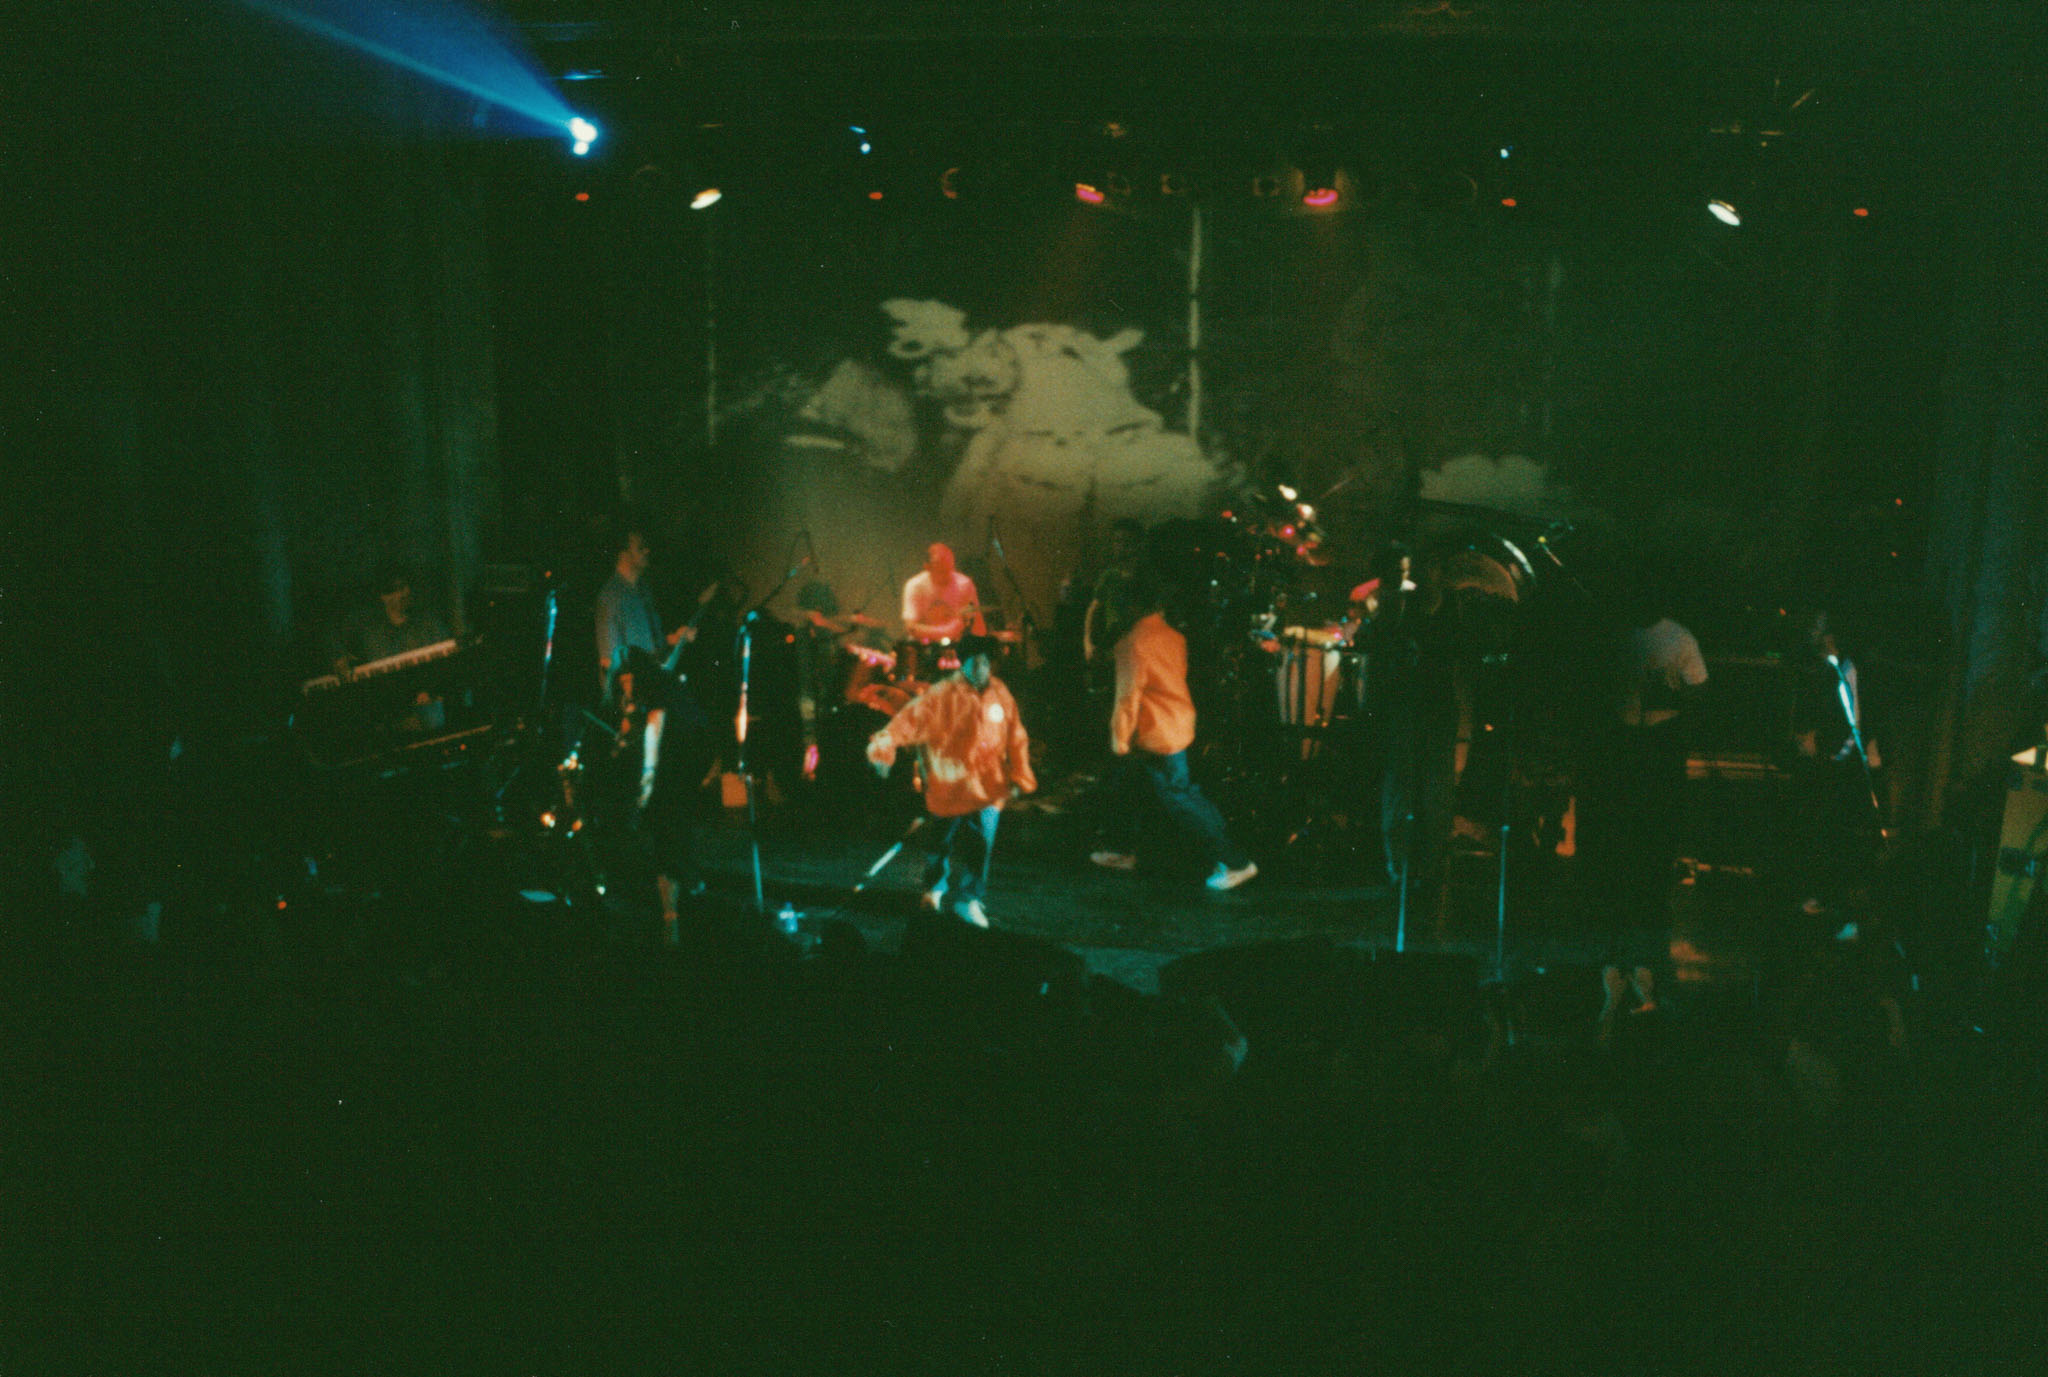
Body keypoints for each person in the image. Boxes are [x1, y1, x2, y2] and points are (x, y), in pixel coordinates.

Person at [1092, 579, 1258, 891]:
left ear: (1132, 606)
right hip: (1177, 722)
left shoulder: (1133, 643)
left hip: (1157, 731)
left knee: (1180, 796)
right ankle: (1121, 849)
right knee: (1136, 785)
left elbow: (1127, 697)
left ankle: (1236, 862)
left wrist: (1120, 738)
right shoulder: (1173, 636)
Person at [591, 525, 712, 942]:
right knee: (656, 804)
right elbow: (611, 662)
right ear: (623, 549)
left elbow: (653, 652)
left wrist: (677, 639)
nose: (647, 550)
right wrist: (631, 703)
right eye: (640, 544)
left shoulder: (643, 593)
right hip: (639, 713)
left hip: (662, 707)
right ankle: (663, 905)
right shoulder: (610, 597)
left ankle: (679, 890)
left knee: (673, 799)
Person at [866, 635, 1036, 928]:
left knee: (981, 843)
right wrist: (884, 745)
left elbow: (1016, 735)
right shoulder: (942, 695)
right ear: (963, 662)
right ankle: (934, 889)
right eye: (974, 660)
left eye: (986, 661)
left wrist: (1020, 773)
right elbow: (909, 721)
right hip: (949, 782)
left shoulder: (1000, 694)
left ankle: (968, 899)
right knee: (941, 840)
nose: (981, 666)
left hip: (988, 785)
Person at [330, 567, 448, 678]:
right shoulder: (369, 631)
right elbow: (336, 640)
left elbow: (446, 659)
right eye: (395, 589)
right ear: (383, 596)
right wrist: (340, 658)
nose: (402, 595)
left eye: (404, 588)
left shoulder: (429, 624)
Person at [901, 542, 987, 644]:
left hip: (959, 645)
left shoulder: (964, 584)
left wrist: (980, 645)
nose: (948, 575)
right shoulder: (915, 586)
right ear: (927, 567)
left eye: (950, 569)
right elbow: (910, 627)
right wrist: (947, 631)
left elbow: (978, 625)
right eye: (942, 571)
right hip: (927, 646)